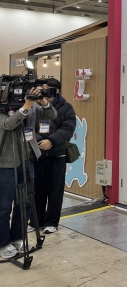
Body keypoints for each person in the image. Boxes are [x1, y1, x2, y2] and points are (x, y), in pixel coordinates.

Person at [0, 89, 56, 259]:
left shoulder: (30, 104)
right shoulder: (5, 106)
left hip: (27, 158)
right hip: (6, 162)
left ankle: (18, 238)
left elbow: (51, 115)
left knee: (24, 203)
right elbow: (9, 124)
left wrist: (43, 102)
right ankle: (3, 243)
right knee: (4, 206)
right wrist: (26, 106)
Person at [32, 79, 76, 234]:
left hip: (58, 153)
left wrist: (50, 141)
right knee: (36, 189)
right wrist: (40, 141)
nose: (43, 91)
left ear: (56, 91)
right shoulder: (34, 106)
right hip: (37, 153)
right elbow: (28, 127)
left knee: (55, 190)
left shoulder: (66, 107)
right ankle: (35, 221)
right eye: (42, 88)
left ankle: (52, 222)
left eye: (47, 89)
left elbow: (68, 128)